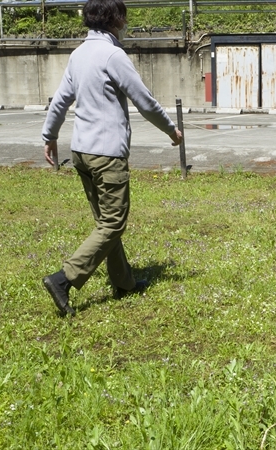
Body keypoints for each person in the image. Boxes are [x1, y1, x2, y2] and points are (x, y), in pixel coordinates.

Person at [41, 0, 183, 316]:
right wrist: (171, 130)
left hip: (81, 152)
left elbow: (61, 100)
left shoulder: (78, 54)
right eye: (124, 18)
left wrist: (49, 137)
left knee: (106, 223)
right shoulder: (112, 55)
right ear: (116, 19)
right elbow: (143, 100)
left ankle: (124, 283)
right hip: (107, 155)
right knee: (113, 223)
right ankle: (64, 279)